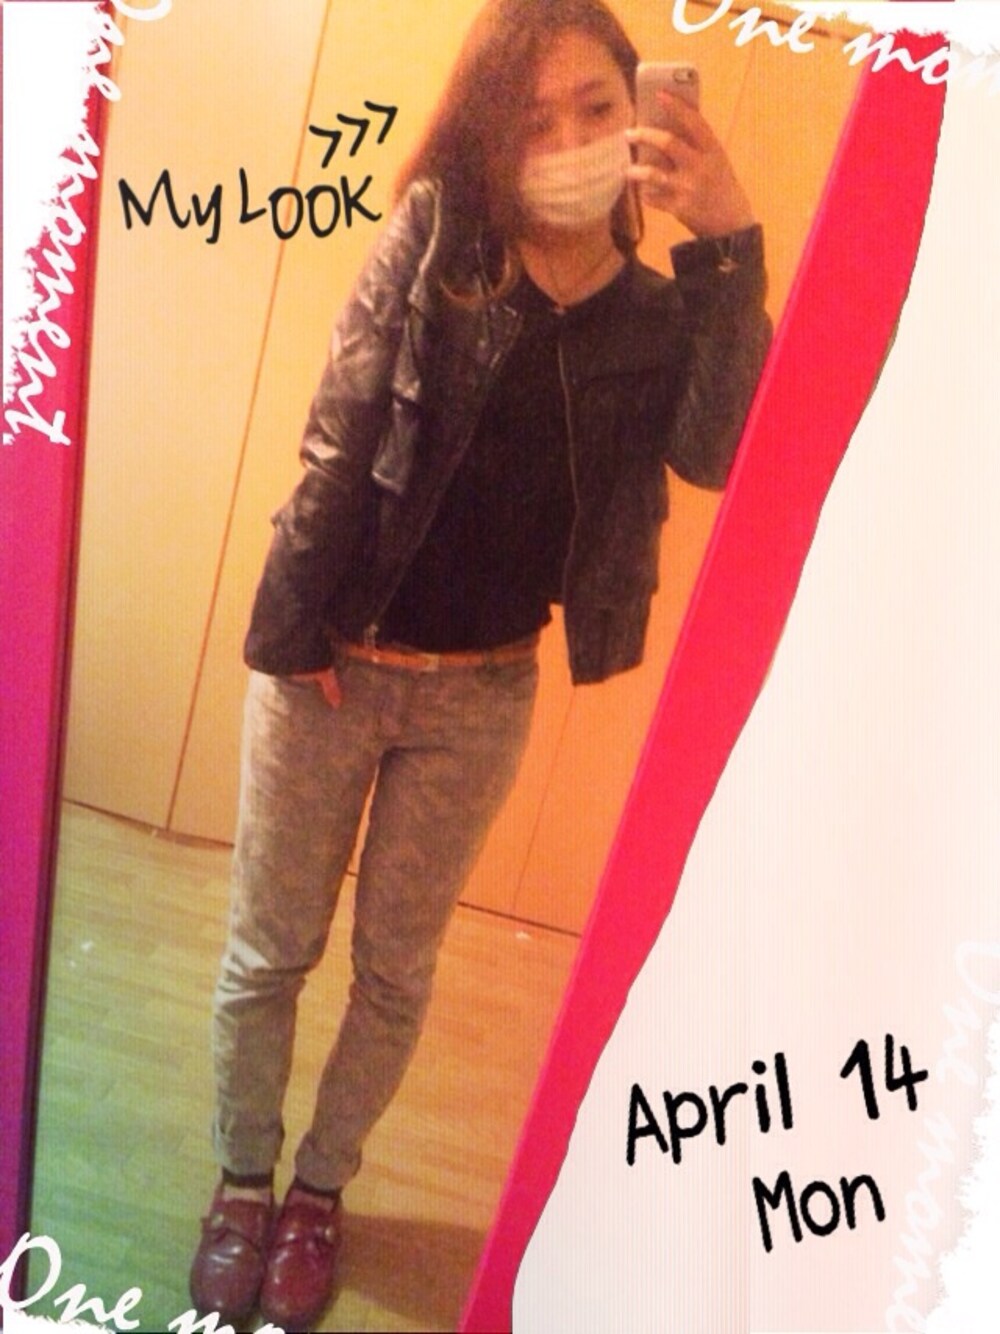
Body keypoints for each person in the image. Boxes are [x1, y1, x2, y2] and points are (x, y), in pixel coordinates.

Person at [189, 0, 771, 1326]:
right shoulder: (437, 244)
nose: (565, 143)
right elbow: (338, 432)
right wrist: (294, 634)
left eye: (595, 108)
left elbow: (715, 454)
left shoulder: (657, 311)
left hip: (483, 692)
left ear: (637, 110)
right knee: (269, 951)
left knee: (395, 971)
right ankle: (240, 1182)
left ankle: (318, 1193)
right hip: (333, 666)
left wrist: (731, 244)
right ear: (487, 135)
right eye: (530, 119)